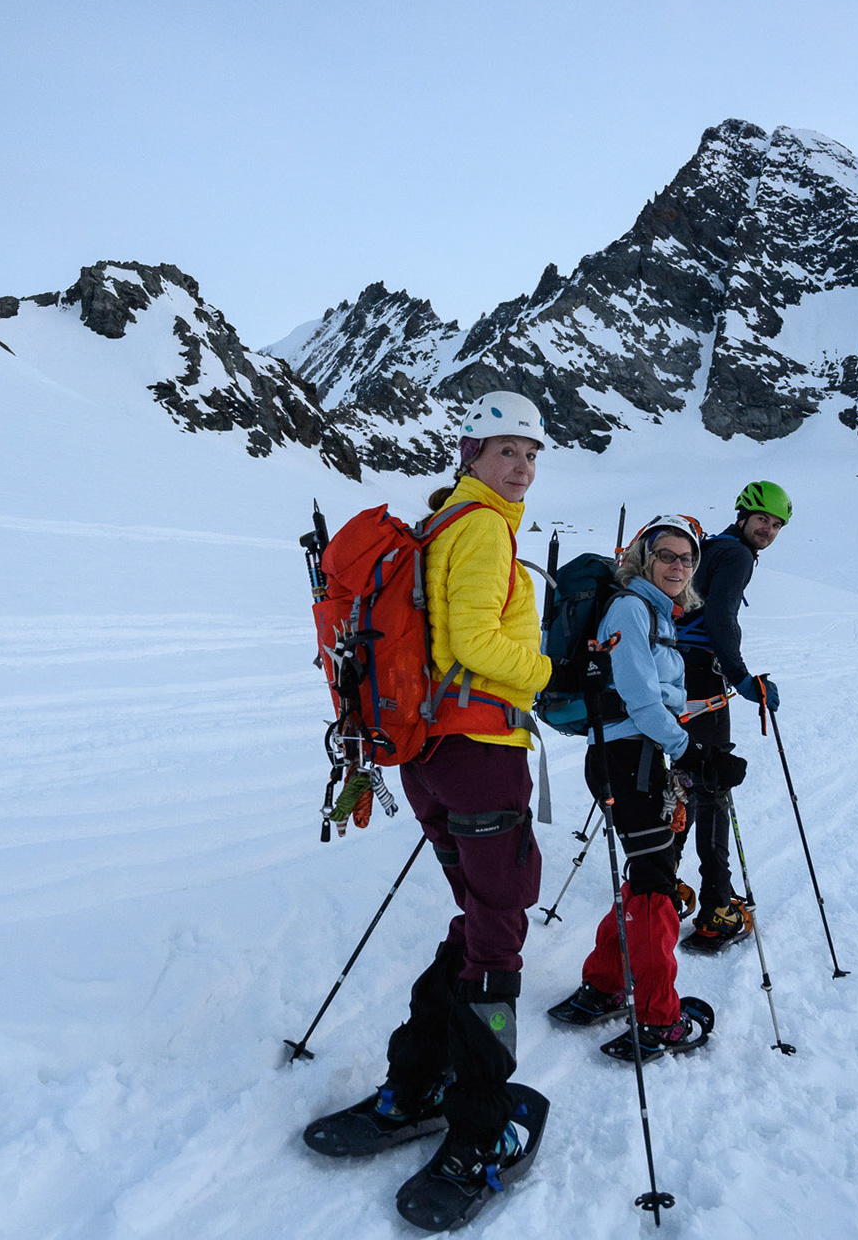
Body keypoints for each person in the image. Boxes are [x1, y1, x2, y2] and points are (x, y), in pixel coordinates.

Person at [315, 390, 554, 1198]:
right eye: (505, 450)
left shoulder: (439, 526)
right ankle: (481, 1128)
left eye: (530, 453)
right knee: (497, 935)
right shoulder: (482, 527)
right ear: (470, 454)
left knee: (481, 919)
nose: (520, 466)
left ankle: (413, 1085)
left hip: (427, 759)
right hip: (480, 751)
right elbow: (475, 644)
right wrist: (552, 670)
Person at [556, 516, 744, 1056]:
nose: (678, 566)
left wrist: (698, 727)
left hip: (633, 756)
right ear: (643, 558)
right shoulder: (631, 609)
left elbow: (653, 697)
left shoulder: (655, 612)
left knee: (646, 876)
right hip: (626, 760)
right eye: (666, 555)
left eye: (687, 559)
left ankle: (606, 983)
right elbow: (639, 698)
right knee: (657, 883)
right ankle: (659, 1016)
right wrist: (693, 753)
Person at [674, 480, 790, 949]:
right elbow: (721, 618)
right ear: (742, 514)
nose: (768, 530)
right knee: (712, 786)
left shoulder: (709, 547)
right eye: (762, 519)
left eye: (777, 525)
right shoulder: (737, 554)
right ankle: (717, 909)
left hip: (674, 673)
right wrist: (743, 679)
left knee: (683, 780)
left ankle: (661, 888)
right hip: (702, 677)